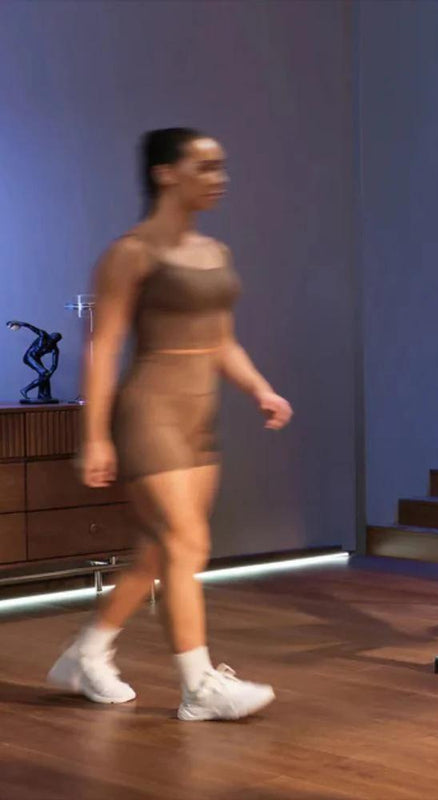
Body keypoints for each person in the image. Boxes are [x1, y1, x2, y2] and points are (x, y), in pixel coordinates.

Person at [47, 128, 293, 721]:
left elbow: (221, 339)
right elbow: (102, 348)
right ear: (165, 173)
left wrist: (259, 387)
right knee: (188, 543)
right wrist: (97, 435)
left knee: (160, 552)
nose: (219, 178)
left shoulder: (217, 253)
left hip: (199, 416)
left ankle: (88, 651)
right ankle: (198, 686)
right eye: (204, 167)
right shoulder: (130, 253)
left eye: (221, 167)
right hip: (149, 411)